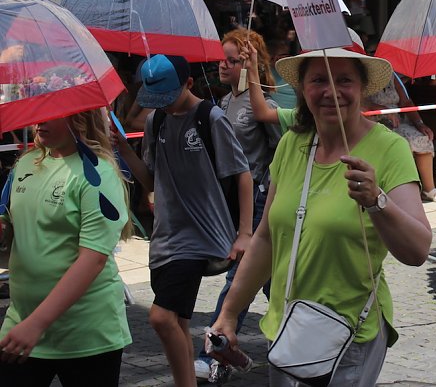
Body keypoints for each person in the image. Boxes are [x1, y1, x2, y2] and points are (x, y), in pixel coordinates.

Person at [209, 40, 432, 387]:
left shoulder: (389, 149)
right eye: (318, 80)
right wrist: (229, 312)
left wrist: (377, 201)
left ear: (361, 88)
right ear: (303, 90)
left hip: (348, 335)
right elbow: (267, 237)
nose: (331, 91)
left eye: (344, 80)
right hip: (287, 328)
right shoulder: (292, 145)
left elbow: (417, 250)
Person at [114, 54, 253, 387]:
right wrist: (122, 147)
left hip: (200, 238)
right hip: (165, 236)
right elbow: (152, 180)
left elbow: (242, 174)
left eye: (168, 96)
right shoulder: (156, 122)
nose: (162, 105)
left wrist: (245, 232)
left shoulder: (211, 118)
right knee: (176, 321)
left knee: (160, 316)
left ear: (188, 83)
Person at [0, 109, 132, 386]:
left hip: (86, 334)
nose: (39, 119)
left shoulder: (98, 174)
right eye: (36, 110)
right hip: (21, 325)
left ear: (78, 118)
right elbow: (12, 228)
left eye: (51, 113)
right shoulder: (26, 163)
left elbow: (93, 260)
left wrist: (37, 323)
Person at [193, 30, 283, 382]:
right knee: (273, 283)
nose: (222, 65)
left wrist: (268, 192)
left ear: (248, 64)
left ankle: (214, 352)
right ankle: (297, 335)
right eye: (221, 58)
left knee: (239, 279)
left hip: (260, 201)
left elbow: (281, 153)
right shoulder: (225, 102)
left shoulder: (263, 106)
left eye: (232, 60)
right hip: (231, 203)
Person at [366, 76, 436, 203]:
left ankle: (428, 189)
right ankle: (401, 191)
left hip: (398, 122)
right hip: (372, 123)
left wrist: (420, 123)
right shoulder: (361, 76)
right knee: (400, 143)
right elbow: (359, 102)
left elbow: (406, 102)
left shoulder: (392, 76)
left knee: (422, 138)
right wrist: (379, 108)